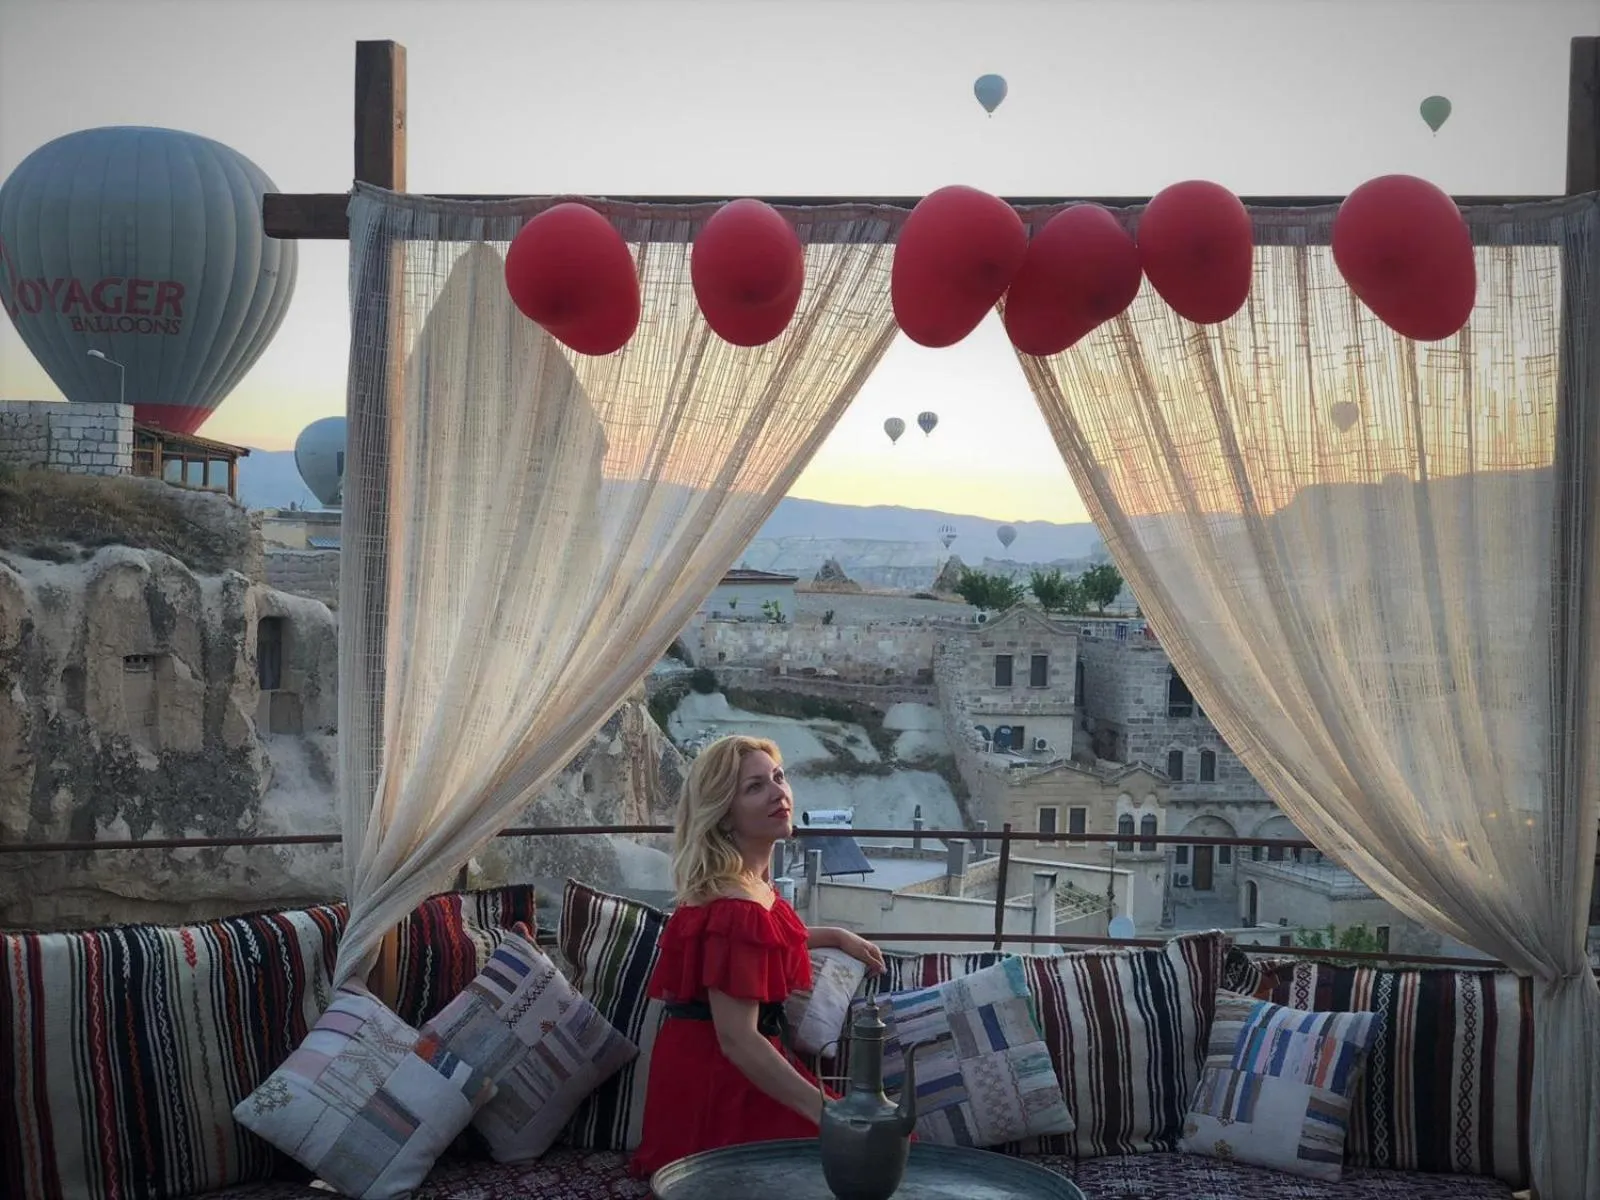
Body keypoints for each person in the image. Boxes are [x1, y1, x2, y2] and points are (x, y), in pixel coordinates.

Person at [627, 735, 886, 1178]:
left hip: (728, 1073)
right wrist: (828, 1115)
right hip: (721, 1090)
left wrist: (836, 935)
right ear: (725, 814)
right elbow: (738, 1040)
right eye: (755, 787)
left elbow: (769, 941)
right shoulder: (735, 906)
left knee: (883, 1150)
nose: (778, 793)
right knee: (877, 1156)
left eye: (778, 778)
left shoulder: (748, 889)